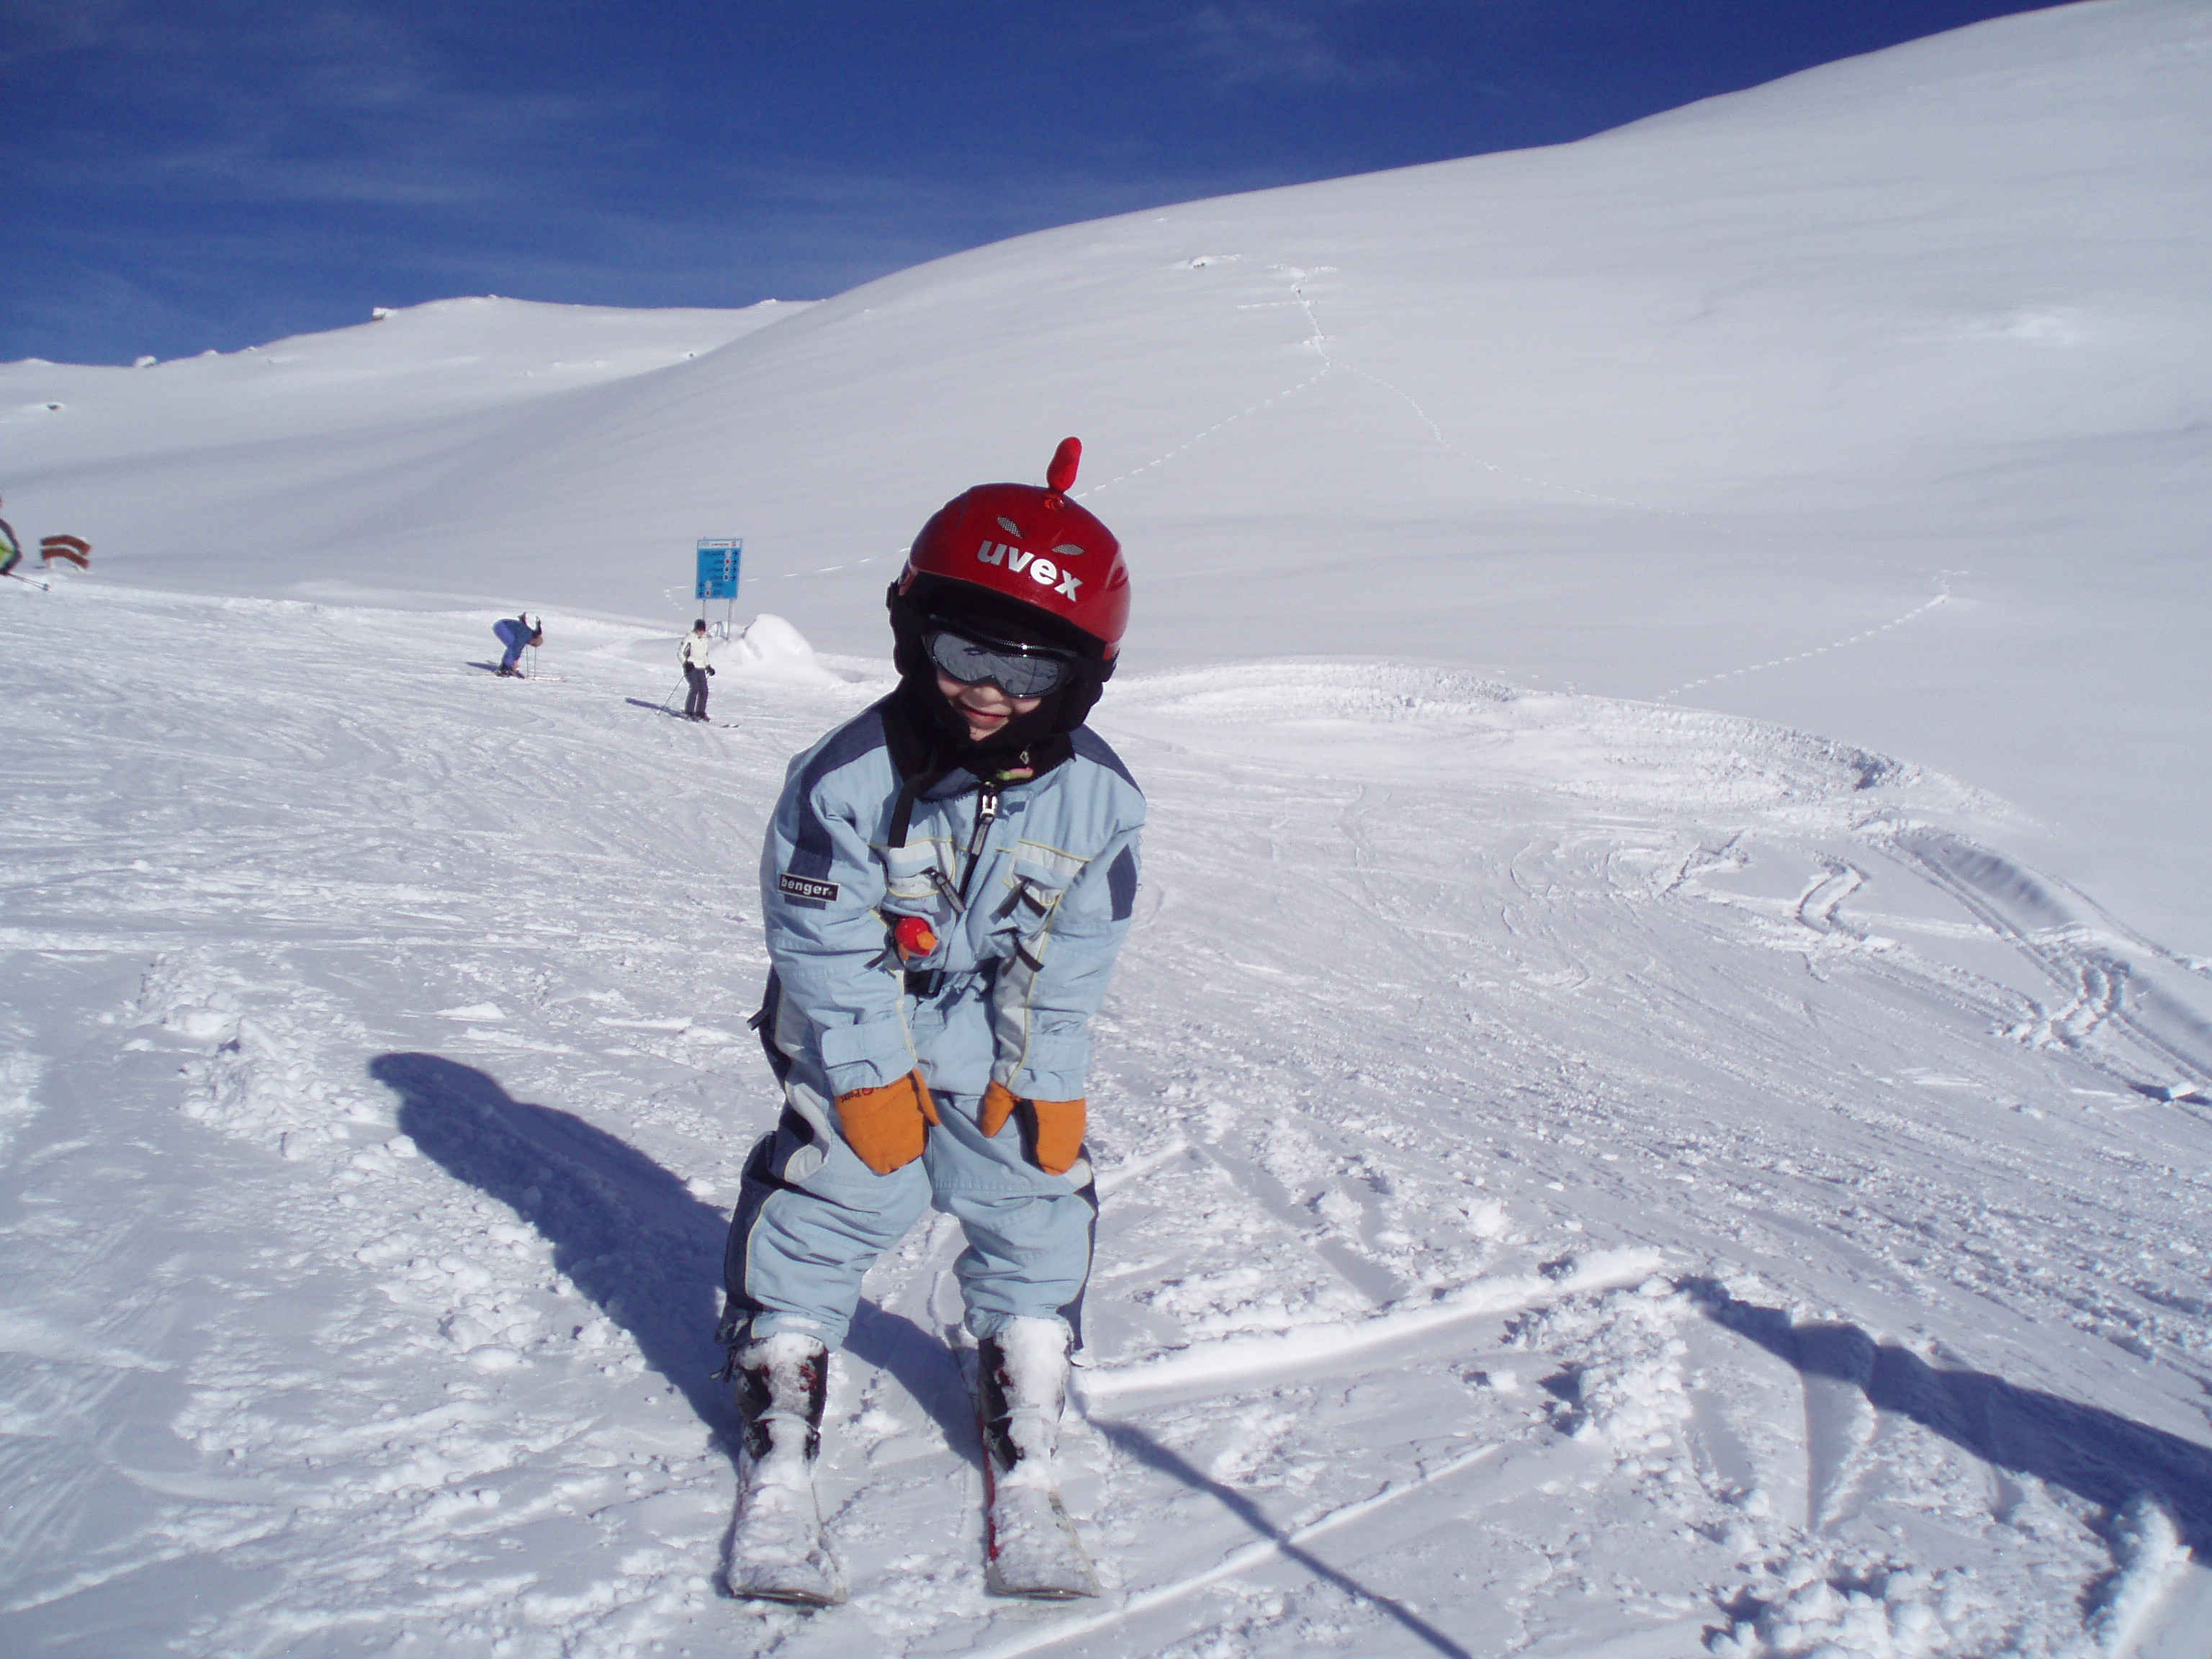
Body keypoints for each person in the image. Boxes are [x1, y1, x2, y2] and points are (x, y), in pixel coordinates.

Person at [719, 438, 1141, 1560]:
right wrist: (863, 1077)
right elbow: (817, 930)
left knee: (1034, 1186)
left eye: (1033, 674)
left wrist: (1045, 1086)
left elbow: (1068, 958)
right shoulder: (851, 772)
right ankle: (783, 1344)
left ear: (1080, 679)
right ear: (916, 632)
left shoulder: (1098, 800)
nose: (993, 693)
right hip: (858, 1016)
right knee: (850, 1179)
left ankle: (1027, 1344)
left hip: (991, 1034)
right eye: (964, 652)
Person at [680, 619, 716, 720]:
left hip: (700, 667)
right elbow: (680, 653)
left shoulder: (705, 639)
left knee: (704, 690)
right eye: (699, 630)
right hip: (691, 667)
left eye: (703, 630)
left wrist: (708, 666)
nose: (701, 632)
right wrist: (686, 663)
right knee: (695, 687)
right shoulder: (690, 638)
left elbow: (704, 655)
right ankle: (689, 711)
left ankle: (700, 712)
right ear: (695, 629)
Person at [493, 611, 542, 677]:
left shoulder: (528, 633)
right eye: (533, 644)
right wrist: (515, 661)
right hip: (501, 626)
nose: (530, 644)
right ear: (534, 639)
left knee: (513, 644)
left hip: (501, 624)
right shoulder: (526, 636)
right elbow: (517, 647)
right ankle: (505, 667)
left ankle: (507, 666)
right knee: (513, 645)